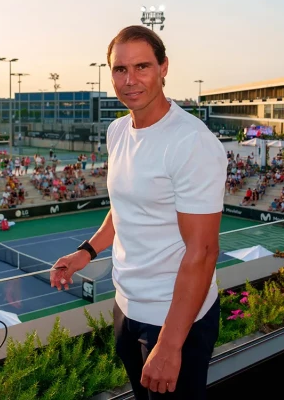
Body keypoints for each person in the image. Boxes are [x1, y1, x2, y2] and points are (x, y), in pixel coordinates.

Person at [51, 25, 226, 399]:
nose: (129, 80)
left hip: (175, 321)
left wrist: (170, 345)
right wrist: (86, 252)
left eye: (142, 67)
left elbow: (203, 252)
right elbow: (123, 209)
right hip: (126, 308)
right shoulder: (117, 131)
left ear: (164, 68)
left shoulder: (191, 142)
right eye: (119, 69)